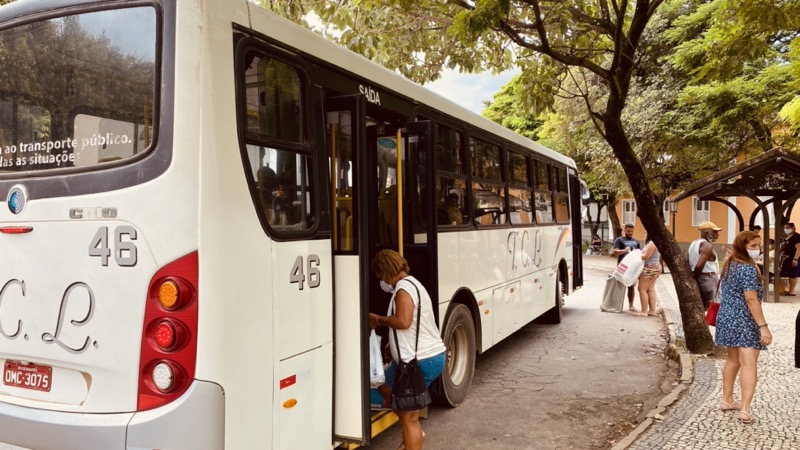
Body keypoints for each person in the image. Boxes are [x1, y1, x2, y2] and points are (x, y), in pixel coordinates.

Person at [368, 250, 446, 450]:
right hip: (414, 360)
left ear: (386, 271)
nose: (381, 281)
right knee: (381, 386)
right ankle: (412, 436)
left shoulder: (403, 289)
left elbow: (403, 321)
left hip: (419, 362)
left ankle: (413, 436)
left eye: (380, 276)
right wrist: (391, 343)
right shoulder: (412, 285)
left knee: (408, 415)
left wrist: (378, 320)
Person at [714, 231, 772, 424]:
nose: (757, 250)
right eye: (753, 246)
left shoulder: (730, 263)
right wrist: (763, 326)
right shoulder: (747, 268)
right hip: (744, 320)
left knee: (732, 360)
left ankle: (727, 399)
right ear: (742, 246)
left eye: (758, 246)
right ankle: (745, 409)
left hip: (727, 317)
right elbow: (751, 298)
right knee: (749, 364)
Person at [688, 221, 722, 310]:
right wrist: (695, 277)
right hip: (708, 278)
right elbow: (699, 266)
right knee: (711, 307)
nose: (717, 234)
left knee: (703, 306)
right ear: (707, 232)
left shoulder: (694, 243)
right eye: (715, 231)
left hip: (701, 277)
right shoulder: (707, 245)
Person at [612, 223, 641, 311]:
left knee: (631, 286)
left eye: (631, 231)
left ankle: (631, 305)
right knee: (619, 286)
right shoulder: (619, 240)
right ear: (624, 230)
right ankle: (617, 305)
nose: (630, 233)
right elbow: (615, 251)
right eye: (628, 231)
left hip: (632, 269)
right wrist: (624, 250)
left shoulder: (636, 241)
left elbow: (639, 254)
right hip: (622, 268)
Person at [634, 233, 660, 317]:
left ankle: (644, 311)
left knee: (642, 289)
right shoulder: (656, 242)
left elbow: (645, 257)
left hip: (649, 269)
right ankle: (652, 311)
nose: (644, 234)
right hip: (655, 268)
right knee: (650, 290)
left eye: (645, 233)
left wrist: (636, 255)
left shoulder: (651, 243)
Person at [779, 222, 800, 296]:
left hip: (793, 258)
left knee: (793, 274)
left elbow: (799, 248)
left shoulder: (796, 237)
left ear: (793, 228)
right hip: (786, 258)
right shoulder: (787, 237)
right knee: (788, 274)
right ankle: (788, 289)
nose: (786, 229)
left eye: (788, 227)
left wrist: (795, 259)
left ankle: (792, 291)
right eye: (785, 228)